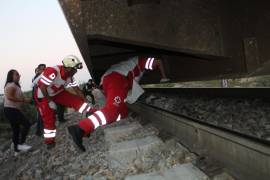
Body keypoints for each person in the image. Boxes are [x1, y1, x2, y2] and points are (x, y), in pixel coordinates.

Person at [68, 56, 170, 151]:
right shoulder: (140, 61)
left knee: (123, 112)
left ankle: (92, 117)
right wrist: (164, 77)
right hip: (116, 79)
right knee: (112, 111)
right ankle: (80, 129)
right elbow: (157, 62)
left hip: (110, 81)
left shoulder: (129, 65)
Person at [33, 55, 95, 149]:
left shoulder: (70, 77)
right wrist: (49, 101)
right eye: (75, 69)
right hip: (43, 96)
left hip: (58, 93)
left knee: (75, 101)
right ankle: (49, 142)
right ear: (69, 68)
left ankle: (89, 113)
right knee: (49, 119)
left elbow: (77, 90)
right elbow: (42, 87)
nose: (76, 71)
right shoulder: (52, 71)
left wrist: (86, 101)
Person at [4, 69, 32, 155]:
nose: (18, 76)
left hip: (12, 109)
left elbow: (15, 98)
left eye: (18, 74)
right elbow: (9, 97)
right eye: (16, 74)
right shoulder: (11, 85)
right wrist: (23, 100)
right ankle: (20, 145)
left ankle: (17, 149)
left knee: (16, 129)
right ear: (11, 76)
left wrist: (23, 104)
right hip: (10, 109)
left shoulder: (15, 85)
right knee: (26, 124)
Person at [32, 64, 46, 136]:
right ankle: (39, 131)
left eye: (44, 68)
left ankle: (40, 130)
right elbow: (35, 90)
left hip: (40, 99)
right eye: (42, 69)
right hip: (39, 99)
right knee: (41, 115)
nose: (44, 70)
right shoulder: (36, 78)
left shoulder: (41, 76)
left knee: (41, 114)